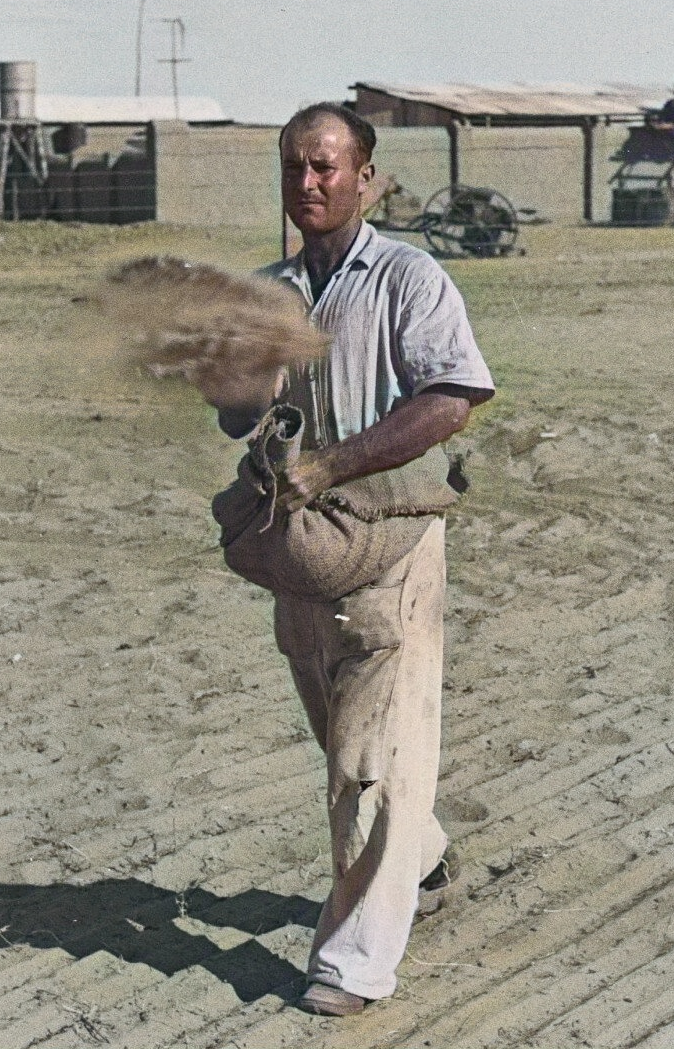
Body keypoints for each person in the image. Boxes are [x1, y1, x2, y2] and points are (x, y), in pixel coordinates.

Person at [213, 102, 494, 1016]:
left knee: (369, 757)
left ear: (366, 178)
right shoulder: (271, 292)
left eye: (327, 167)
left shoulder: (408, 278)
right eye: (295, 167)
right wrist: (228, 376)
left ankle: (355, 961)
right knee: (340, 733)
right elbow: (236, 414)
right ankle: (426, 855)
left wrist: (335, 462)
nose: (309, 183)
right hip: (302, 548)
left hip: (392, 535)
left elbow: (452, 396)